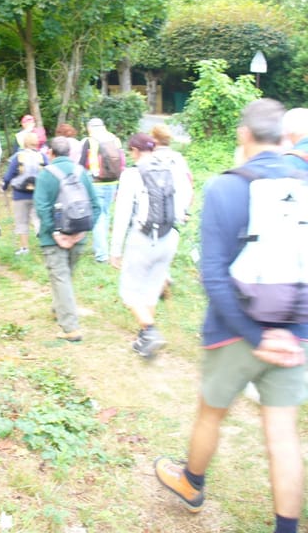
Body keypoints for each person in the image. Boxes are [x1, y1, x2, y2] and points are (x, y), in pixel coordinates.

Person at [153, 99, 308, 533]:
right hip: (295, 334)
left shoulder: (226, 186)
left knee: (211, 414)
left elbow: (214, 275)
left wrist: (254, 336)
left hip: (232, 332)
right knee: (283, 436)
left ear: (243, 135)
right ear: (283, 137)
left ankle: (191, 483)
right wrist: (292, 331)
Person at [110, 133, 186, 357]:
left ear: (134, 151)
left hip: (143, 238)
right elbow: (182, 206)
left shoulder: (132, 175)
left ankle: (150, 331)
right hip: (169, 236)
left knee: (129, 289)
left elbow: (123, 214)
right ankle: (144, 339)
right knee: (151, 288)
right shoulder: (172, 168)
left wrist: (115, 250)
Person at [34, 136, 101, 341]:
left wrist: (56, 233)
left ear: (50, 153)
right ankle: (58, 309)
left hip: (53, 238)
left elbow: (42, 207)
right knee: (65, 276)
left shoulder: (46, 175)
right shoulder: (82, 172)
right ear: (70, 154)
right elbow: (96, 206)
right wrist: (80, 234)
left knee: (61, 278)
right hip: (79, 235)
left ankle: (71, 328)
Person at [151, 123, 193, 298]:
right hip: (177, 207)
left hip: (157, 207)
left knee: (154, 242)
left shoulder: (152, 158)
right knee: (168, 240)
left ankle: (161, 277)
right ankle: (164, 274)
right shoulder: (178, 158)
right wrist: (186, 208)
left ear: (154, 139)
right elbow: (189, 182)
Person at [79, 117, 125, 263]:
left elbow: (81, 164)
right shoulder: (115, 139)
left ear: (90, 127)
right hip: (112, 182)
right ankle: (102, 247)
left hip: (96, 182)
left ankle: (102, 255)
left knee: (98, 217)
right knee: (105, 214)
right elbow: (122, 162)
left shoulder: (90, 141)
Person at [2, 132, 48, 255]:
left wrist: (5, 186)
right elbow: (48, 173)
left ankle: (24, 248)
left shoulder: (18, 156)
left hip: (20, 194)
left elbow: (8, 176)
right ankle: (42, 237)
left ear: (25, 143)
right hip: (38, 193)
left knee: (22, 221)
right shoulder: (42, 157)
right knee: (37, 218)